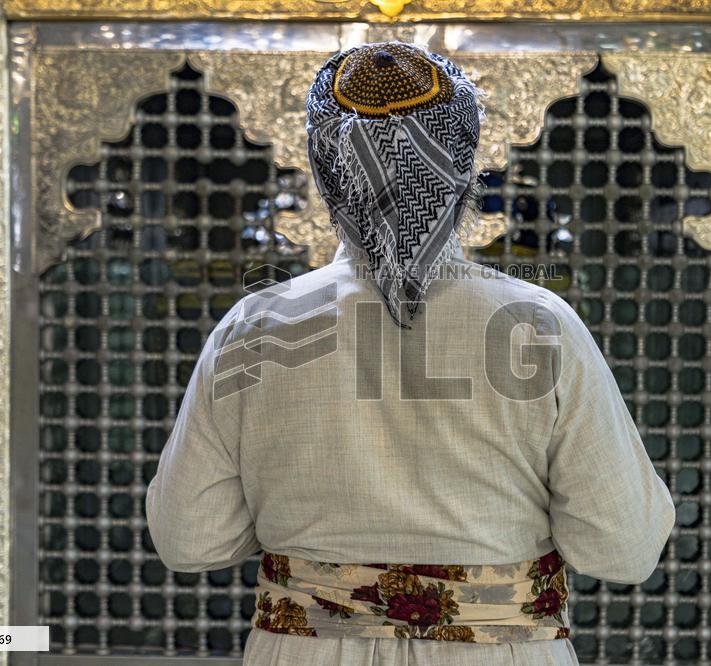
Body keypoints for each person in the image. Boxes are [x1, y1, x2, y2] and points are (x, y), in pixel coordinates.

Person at [147, 42, 674, 665]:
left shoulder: (255, 325)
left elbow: (190, 540)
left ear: (325, 169)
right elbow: (624, 548)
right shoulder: (538, 325)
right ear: (462, 165)